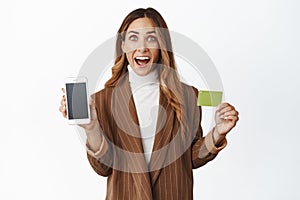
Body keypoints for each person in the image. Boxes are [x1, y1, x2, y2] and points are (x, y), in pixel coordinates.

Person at [59, 7, 239, 200]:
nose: (142, 47)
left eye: (151, 38)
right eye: (134, 38)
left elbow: (192, 158)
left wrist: (217, 133)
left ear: (162, 45)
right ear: (123, 45)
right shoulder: (101, 100)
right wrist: (91, 127)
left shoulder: (189, 95)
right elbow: (103, 168)